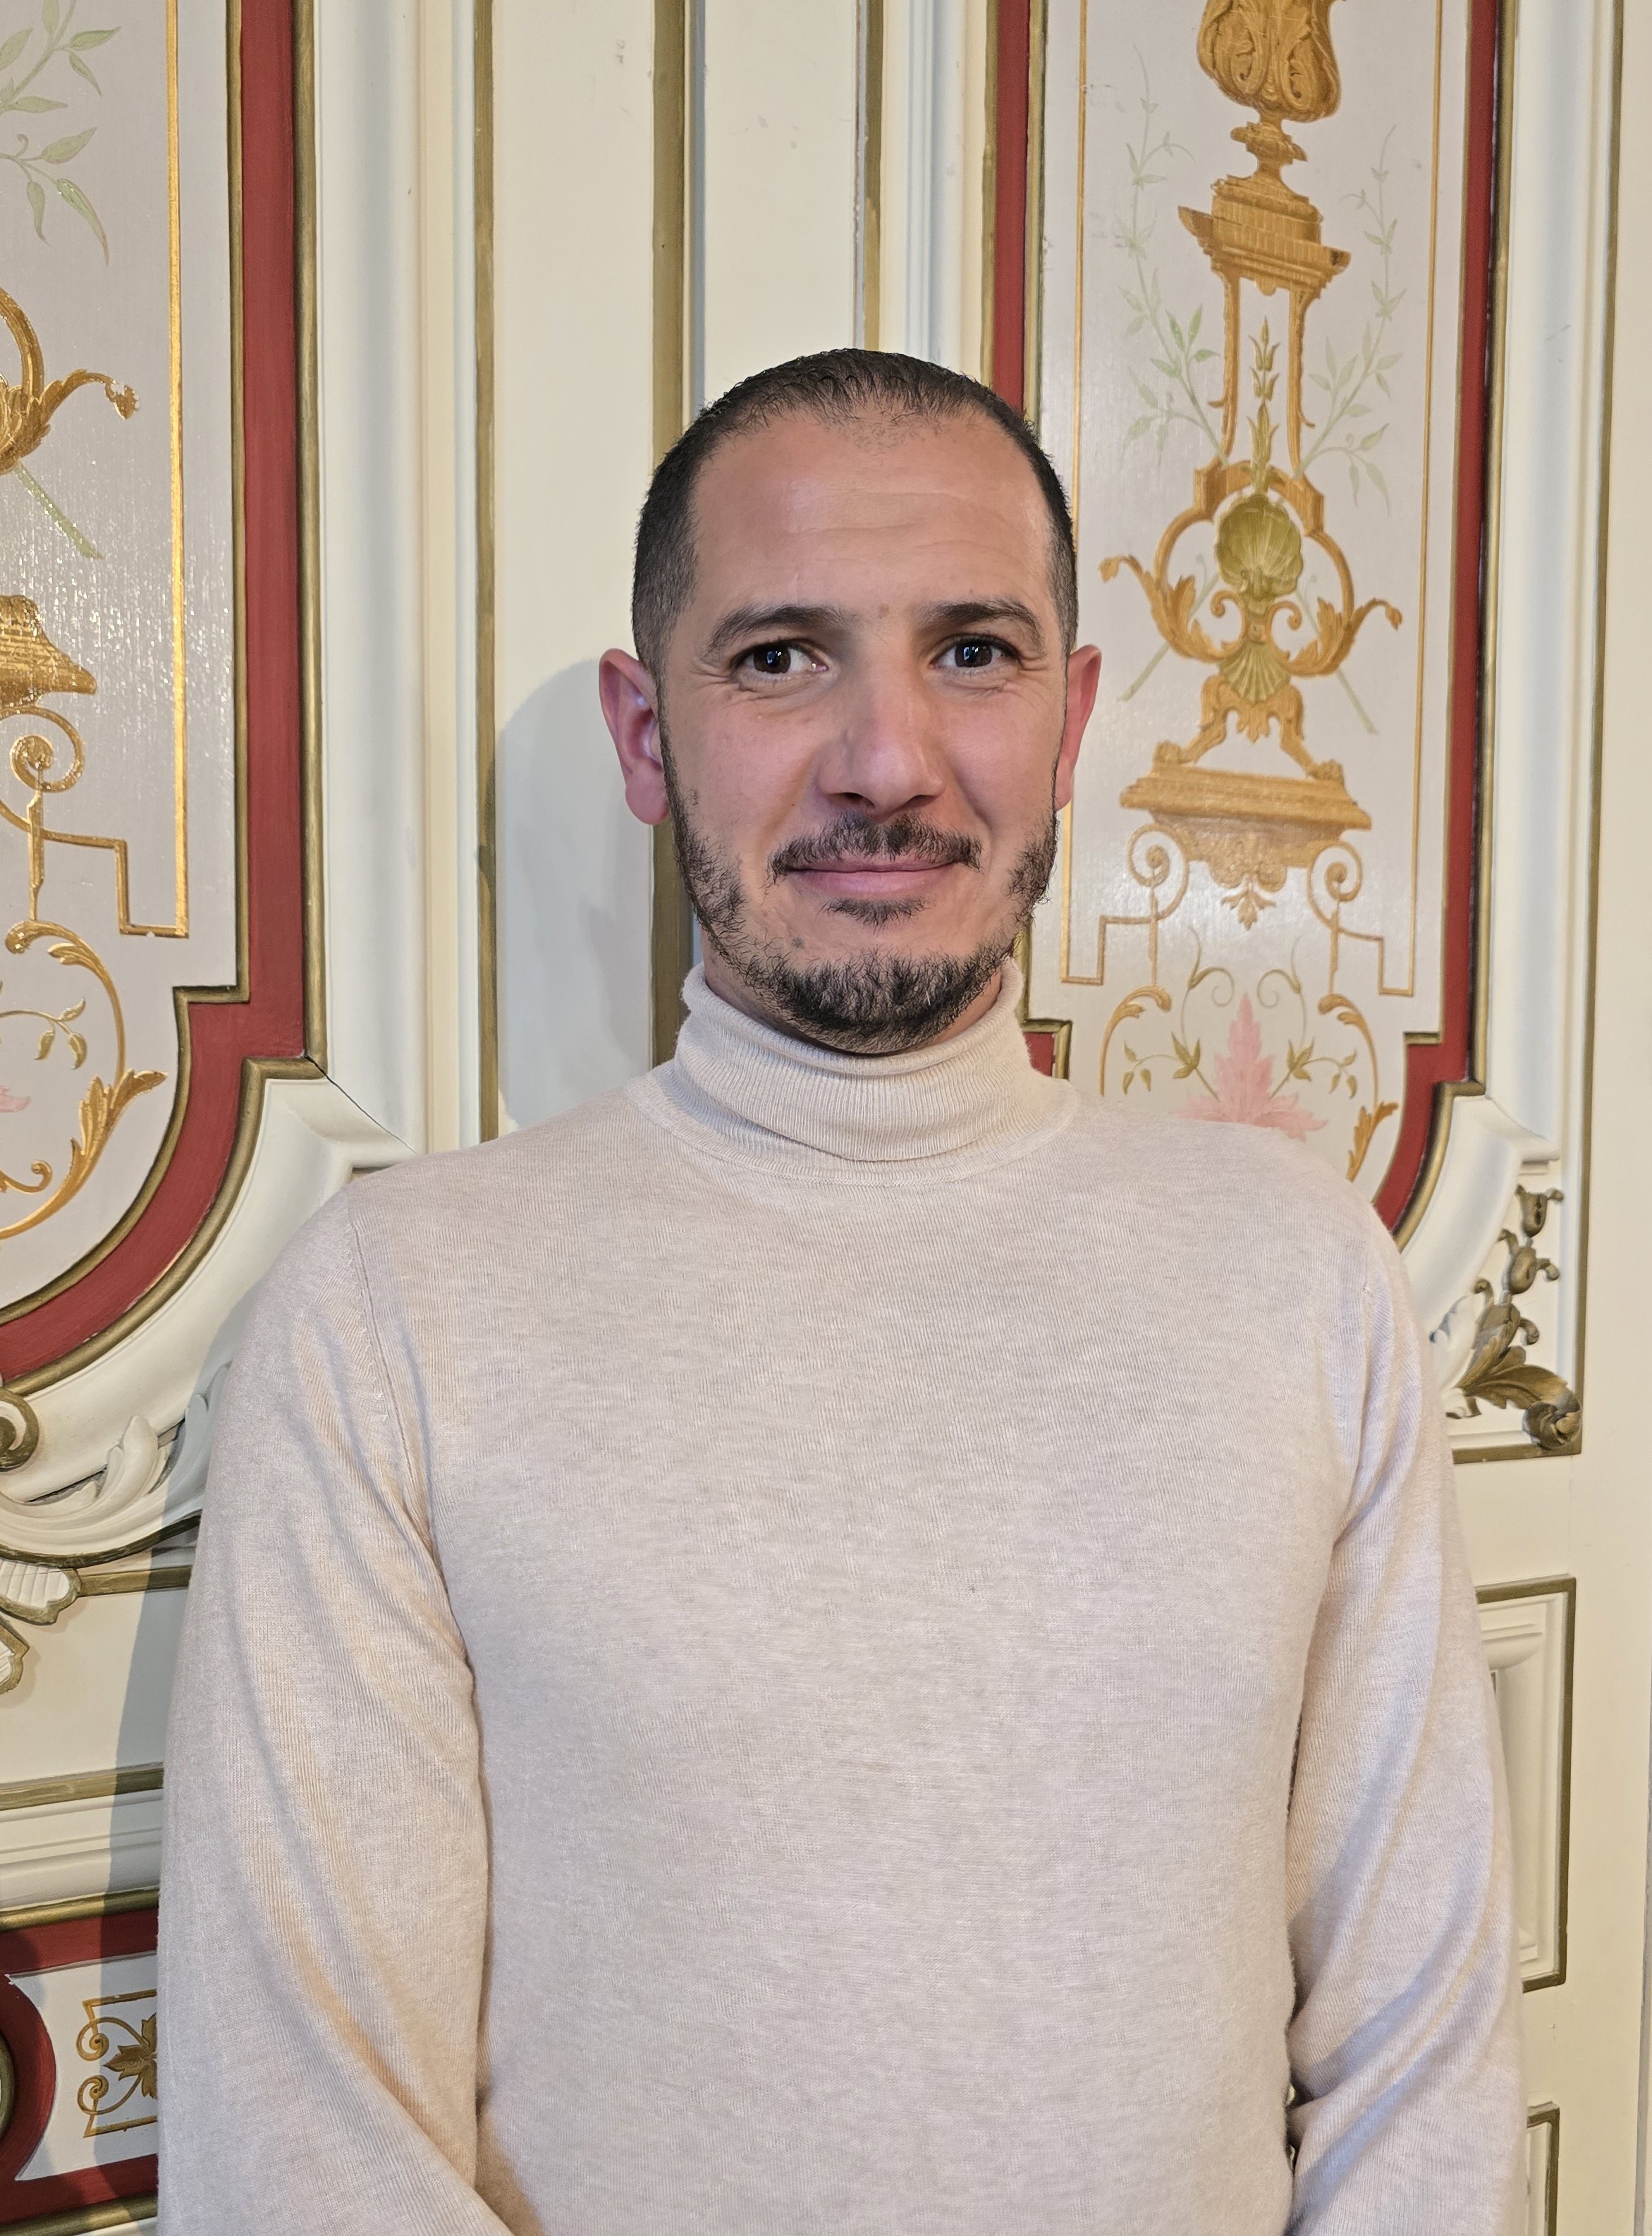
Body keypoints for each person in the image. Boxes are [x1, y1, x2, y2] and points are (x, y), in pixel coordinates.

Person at [159, 349, 1524, 2233]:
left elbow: (1422, 2055)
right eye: (782, 656)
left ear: (1071, 719)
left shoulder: (1300, 1269)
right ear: (647, 734)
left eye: (974, 651)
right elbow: (307, 2140)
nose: (888, 760)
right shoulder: (395, 1313)